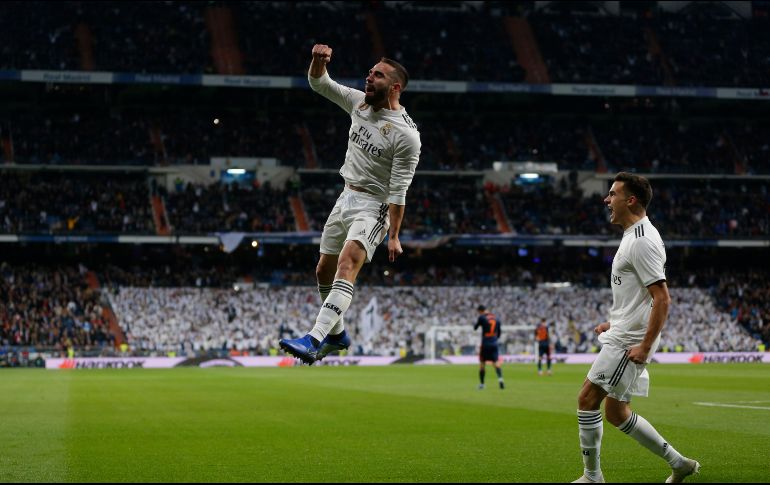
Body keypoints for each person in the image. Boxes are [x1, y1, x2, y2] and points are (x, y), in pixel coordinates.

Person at [279, 44, 421, 364]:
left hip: (375, 206)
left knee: (347, 263)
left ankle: (313, 339)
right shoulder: (359, 102)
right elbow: (320, 83)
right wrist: (318, 61)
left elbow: (399, 191)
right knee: (323, 270)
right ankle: (338, 334)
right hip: (346, 196)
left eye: (377, 75)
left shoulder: (406, 136)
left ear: (395, 87)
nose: (368, 78)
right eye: (370, 72)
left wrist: (394, 235)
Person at [572, 172, 699, 483]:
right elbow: (641, 295)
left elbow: (662, 298)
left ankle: (592, 477)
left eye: (613, 194)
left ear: (631, 200)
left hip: (629, 342)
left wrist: (644, 345)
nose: (606, 200)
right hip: (624, 332)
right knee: (616, 412)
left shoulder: (642, 241)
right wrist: (613, 322)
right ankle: (679, 463)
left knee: (587, 399)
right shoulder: (634, 235)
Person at [474, 305, 504, 390]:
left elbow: (475, 328)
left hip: (485, 343)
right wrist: (494, 339)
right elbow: (499, 333)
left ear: (480, 311)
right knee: (496, 362)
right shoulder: (496, 318)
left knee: (482, 363)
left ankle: (482, 384)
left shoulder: (482, 317)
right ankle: (501, 380)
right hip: (494, 343)